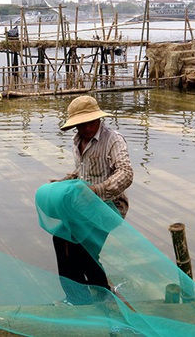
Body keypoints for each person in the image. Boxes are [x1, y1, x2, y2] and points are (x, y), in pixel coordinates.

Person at [53, 95, 133, 295]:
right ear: (75, 125)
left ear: (99, 118)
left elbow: (126, 173)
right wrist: (64, 181)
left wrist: (97, 190)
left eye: (91, 122)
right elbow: (82, 172)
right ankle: (76, 295)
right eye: (81, 124)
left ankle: (101, 294)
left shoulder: (113, 140)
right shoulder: (78, 140)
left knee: (84, 251)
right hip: (84, 205)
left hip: (110, 205)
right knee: (60, 238)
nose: (87, 127)